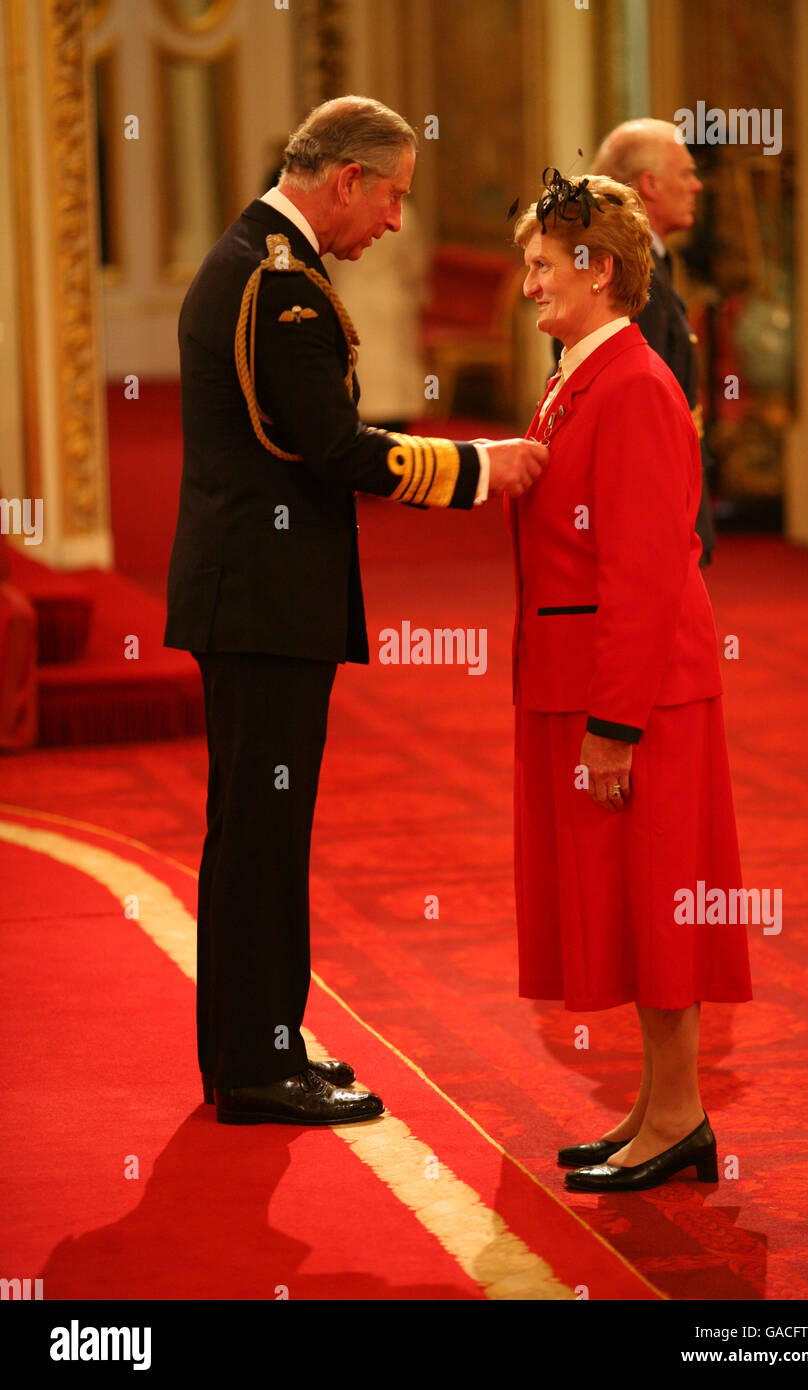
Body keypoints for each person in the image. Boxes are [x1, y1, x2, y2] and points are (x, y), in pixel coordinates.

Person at [164, 96, 547, 1127]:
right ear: (345, 181)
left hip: (255, 597)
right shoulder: (277, 285)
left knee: (260, 834)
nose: (391, 222)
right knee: (260, 837)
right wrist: (478, 468)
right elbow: (334, 449)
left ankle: (262, 1051)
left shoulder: (261, 262)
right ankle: (256, 1066)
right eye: (390, 199)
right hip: (260, 603)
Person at [508, 170, 751, 1192]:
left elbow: (646, 570)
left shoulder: (637, 385)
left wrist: (614, 726)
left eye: (537, 267)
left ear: (594, 268)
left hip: (638, 694)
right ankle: (659, 1110)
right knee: (627, 901)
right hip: (584, 679)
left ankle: (679, 1114)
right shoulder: (581, 372)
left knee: (659, 902)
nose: (526, 288)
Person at [578, 119, 715, 566]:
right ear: (650, 184)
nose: (696, 186)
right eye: (686, 173)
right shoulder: (633, 278)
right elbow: (637, 413)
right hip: (653, 514)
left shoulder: (652, 263)